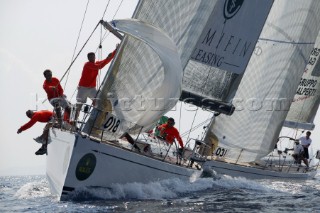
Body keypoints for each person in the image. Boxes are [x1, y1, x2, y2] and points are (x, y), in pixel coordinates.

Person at [75, 45, 118, 120]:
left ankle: (94, 119)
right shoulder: (87, 64)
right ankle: (73, 121)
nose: (92, 58)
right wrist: (107, 58)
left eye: (93, 57)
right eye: (91, 57)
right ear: (88, 58)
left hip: (92, 89)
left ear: (95, 57)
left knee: (99, 101)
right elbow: (100, 66)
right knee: (79, 106)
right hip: (83, 88)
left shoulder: (96, 63)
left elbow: (106, 61)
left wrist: (116, 50)